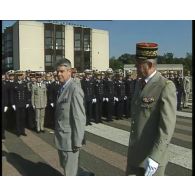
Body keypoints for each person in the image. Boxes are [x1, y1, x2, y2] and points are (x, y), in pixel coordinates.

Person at [126, 42, 177, 176]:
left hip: (151, 159)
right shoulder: (139, 83)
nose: (135, 67)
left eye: (138, 64)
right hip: (134, 156)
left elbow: (167, 128)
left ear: (148, 65)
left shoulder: (165, 86)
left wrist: (155, 157)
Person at [54, 58, 86, 176]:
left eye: (62, 71)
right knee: (65, 168)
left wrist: (78, 141)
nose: (58, 74)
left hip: (70, 140)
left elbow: (79, 117)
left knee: (70, 173)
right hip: (62, 138)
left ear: (70, 71)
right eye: (57, 72)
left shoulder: (74, 89)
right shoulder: (62, 88)